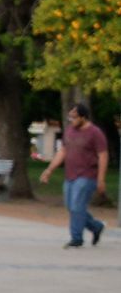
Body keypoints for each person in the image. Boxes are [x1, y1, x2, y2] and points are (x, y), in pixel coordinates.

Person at [39, 103, 108, 248]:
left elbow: (103, 155)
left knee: (77, 206)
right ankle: (96, 227)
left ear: (83, 117)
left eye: (74, 117)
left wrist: (101, 178)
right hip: (70, 175)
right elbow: (62, 151)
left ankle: (76, 239)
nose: (71, 120)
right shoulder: (70, 131)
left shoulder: (95, 133)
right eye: (70, 117)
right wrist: (49, 170)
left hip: (88, 175)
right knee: (72, 207)